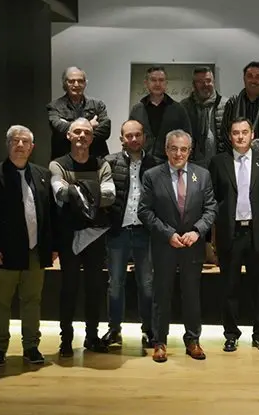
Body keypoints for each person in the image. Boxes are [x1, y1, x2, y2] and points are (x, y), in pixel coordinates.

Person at [0, 125, 58, 367]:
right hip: (3, 254)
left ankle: (31, 346)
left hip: (34, 251)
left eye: (25, 142)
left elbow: (49, 215)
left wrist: (51, 247)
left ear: (32, 147)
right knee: (1, 301)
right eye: (15, 141)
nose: (20, 145)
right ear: (8, 144)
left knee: (32, 300)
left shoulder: (42, 175)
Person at [138, 130, 217, 363]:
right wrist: (168, 233)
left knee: (192, 295)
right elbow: (144, 211)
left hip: (193, 246)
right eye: (174, 148)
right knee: (161, 295)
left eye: (183, 149)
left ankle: (192, 340)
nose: (178, 153)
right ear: (166, 149)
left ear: (189, 151)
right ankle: (159, 342)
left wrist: (197, 231)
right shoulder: (153, 175)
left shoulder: (202, 175)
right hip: (165, 245)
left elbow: (211, 209)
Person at [209, 118, 259, 352]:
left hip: (257, 232)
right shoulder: (218, 163)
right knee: (230, 286)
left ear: (252, 134)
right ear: (230, 136)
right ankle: (231, 334)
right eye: (236, 133)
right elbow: (213, 200)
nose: (240, 137)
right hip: (230, 232)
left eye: (244, 132)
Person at [49, 118, 115, 357]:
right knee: (69, 289)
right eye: (77, 131)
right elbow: (59, 193)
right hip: (69, 235)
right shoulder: (58, 164)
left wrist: (76, 190)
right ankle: (65, 340)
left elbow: (109, 196)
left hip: (96, 236)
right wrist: (91, 191)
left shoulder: (102, 164)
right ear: (68, 135)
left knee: (94, 289)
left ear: (92, 137)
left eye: (86, 132)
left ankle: (91, 336)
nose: (81, 136)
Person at [100, 120, 159, 349]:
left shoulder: (155, 164)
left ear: (144, 137)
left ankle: (149, 330)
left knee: (147, 284)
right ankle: (114, 330)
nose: (133, 139)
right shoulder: (109, 162)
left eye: (138, 135)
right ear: (122, 139)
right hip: (118, 232)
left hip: (145, 233)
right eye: (129, 136)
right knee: (115, 283)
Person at [219, 61, 259, 157]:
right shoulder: (233, 103)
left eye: (257, 77)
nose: (253, 80)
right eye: (249, 76)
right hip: (235, 159)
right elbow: (225, 131)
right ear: (244, 78)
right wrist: (238, 150)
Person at [129, 66, 193, 163]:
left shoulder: (179, 110)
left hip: (170, 165)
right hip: (142, 163)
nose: (157, 84)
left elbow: (187, 139)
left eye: (161, 80)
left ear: (166, 83)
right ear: (146, 83)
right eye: (153, 80)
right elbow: (129, 136)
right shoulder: (137, 110)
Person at [47, 67, 111, 160]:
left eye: (80, 81)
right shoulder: (54, 106)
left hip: (95, 159)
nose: (76, 85)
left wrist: (72, 130)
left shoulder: (98, 105)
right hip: (65, 161)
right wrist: (89, 126)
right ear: (65, 83)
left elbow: (105, 130)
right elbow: (58, 128)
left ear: (85, 83)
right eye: (72, 81)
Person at [180, 66, 225, 167]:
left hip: (220, 164)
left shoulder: (226, 105)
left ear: (213, 82)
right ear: (194, 84)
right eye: (200, 81)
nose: (205, 85)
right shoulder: (184, 107)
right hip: (193, 164)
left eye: (208, 81)